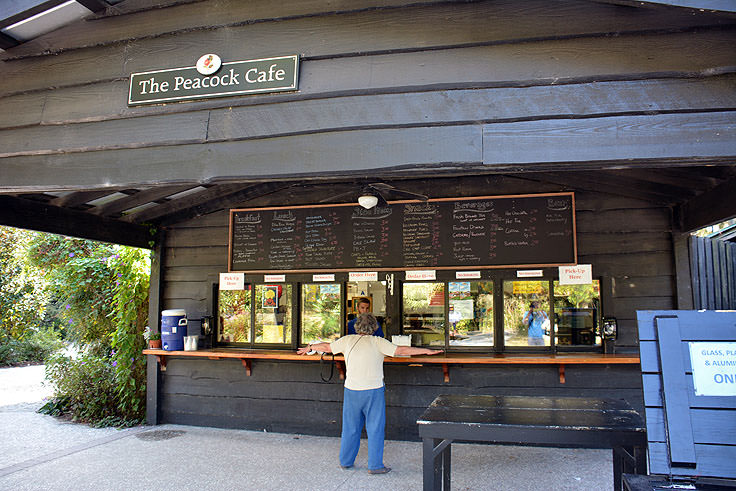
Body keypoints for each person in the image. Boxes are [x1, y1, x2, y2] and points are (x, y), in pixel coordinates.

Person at [297, 313, 442, 474]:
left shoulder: (347, 340)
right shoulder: (378, 342)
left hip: (352, 390)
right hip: (373, 391)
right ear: (375, 327)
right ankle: (375, 466)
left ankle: (345, 461)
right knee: (375, 428)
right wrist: (426, 351)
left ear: (356, 326)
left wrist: (310, 347)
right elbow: (401, 350)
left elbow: (326, 347)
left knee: (350, 428)